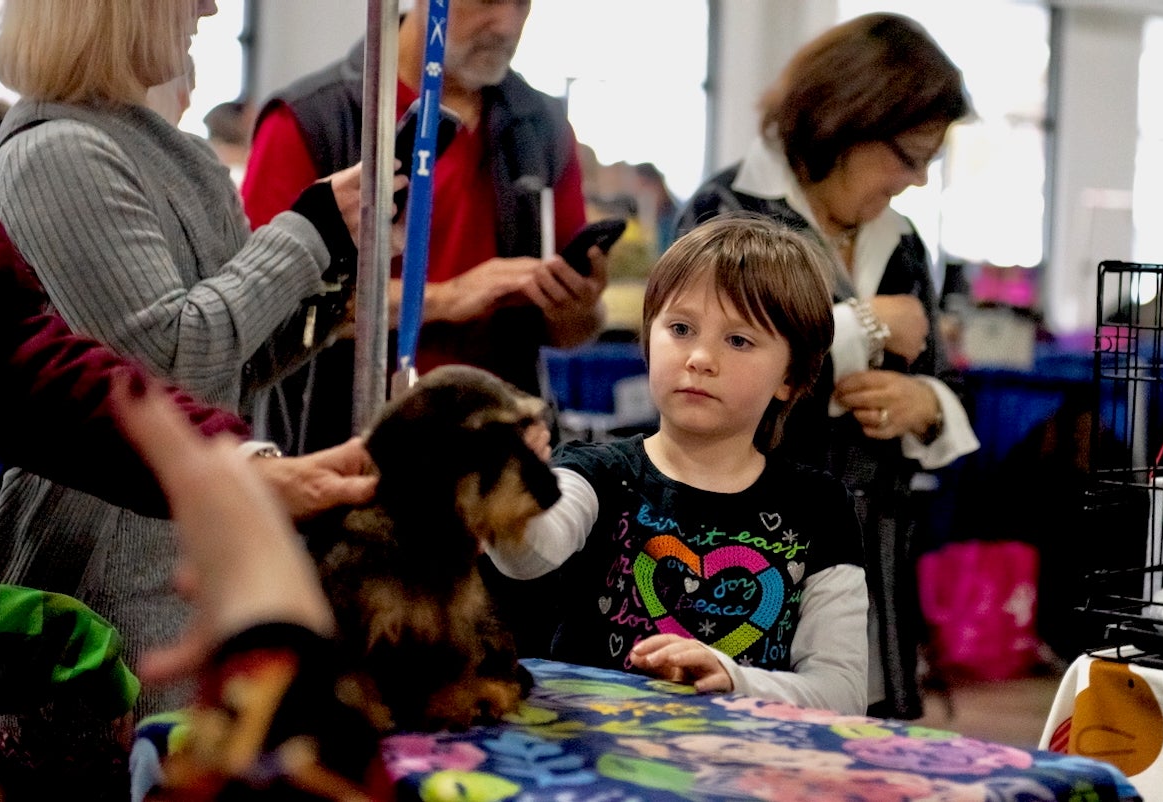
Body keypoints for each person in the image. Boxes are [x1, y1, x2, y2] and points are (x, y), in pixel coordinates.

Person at [0, 2, 394, 782]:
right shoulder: (55, 154)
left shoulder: (179, 155)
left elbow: (230, 361)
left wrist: (333, 281)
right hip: (106, 575)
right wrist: (306, 232)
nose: (208, 5)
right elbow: (165, 358)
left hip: (179, 549)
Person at [675, 12, 981, 719]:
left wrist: (924, 402)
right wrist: (864, 324)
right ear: (845, 122)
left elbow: (947, 382)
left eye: (931, 159)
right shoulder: (727, 209)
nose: (918, 180)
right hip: (751, 558)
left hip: (876, 559)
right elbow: (713, 367)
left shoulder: (899, 240)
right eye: (909, 155)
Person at [485, 214, 870, 715]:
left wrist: (735, 679)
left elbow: (843, 694)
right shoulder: (595, 473)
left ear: (792, 377)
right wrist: (510, 484)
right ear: (648, 341)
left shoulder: (819, 507)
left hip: (743, 771)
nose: (700, 358)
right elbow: (527, 556)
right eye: (681, 328)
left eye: (739, 340)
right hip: (598, 758)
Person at [241, 0, 608, 456]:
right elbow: (264, 308)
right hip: (341, 448)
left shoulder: (542, 126)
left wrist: (577, 309)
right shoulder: (310, 119)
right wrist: (448, 298)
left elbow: (573, 331)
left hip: (500, 463)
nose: (507, 25)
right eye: (488, 0)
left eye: (523, 3)